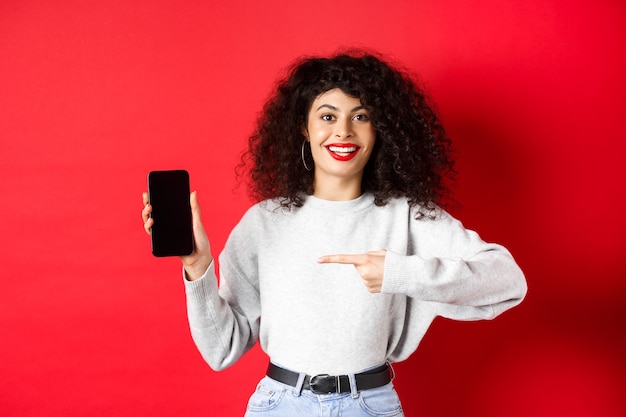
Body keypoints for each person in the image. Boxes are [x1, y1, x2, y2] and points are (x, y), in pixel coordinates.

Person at [141, 50, 527, 416]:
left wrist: (398, 273)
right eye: (327, 117)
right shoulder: (264, 222)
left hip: (370, 405)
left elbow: (508, 281)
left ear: (380, 131)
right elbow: (220, 350)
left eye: (361, 117)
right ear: (304, 129)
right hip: (281, 405)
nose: (343, 131)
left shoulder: (405, 217)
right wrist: (197, 264)